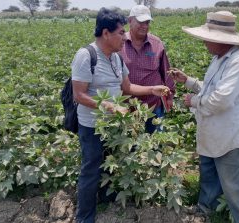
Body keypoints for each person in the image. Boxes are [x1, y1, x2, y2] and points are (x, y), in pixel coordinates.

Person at [71, 8, 169, 223]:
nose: (124, 37)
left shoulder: (116, 58)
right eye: (120, 33)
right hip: (92, 126)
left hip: (114, 126)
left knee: (111, 164)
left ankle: (107, 204)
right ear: (106, 33)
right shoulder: (86, 56)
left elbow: (127, 87)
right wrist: (109, 106)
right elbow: (78, 95)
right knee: (92, 169)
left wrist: (152, 89)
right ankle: (85, 217)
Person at [170, 11, 239, 223]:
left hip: (229, 136)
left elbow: (221, 100)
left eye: (207, 38)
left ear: (222, 40)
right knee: (209, 176)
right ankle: (205, 210)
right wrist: (189, 81)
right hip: (211, 131)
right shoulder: (220, 58)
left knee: (238, 188)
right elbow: (211, 89)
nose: (204, 43)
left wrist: (193, 101)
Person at [120, 5, 175, 134]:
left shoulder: (156, 43)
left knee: (154, 145)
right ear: (130, 21)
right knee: (131, 148)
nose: (144, 26)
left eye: (147, 22)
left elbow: (166, 71)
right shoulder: (119, 43)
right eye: (140, 22)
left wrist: (170, 95)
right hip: (127, 106)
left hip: (153, 105)